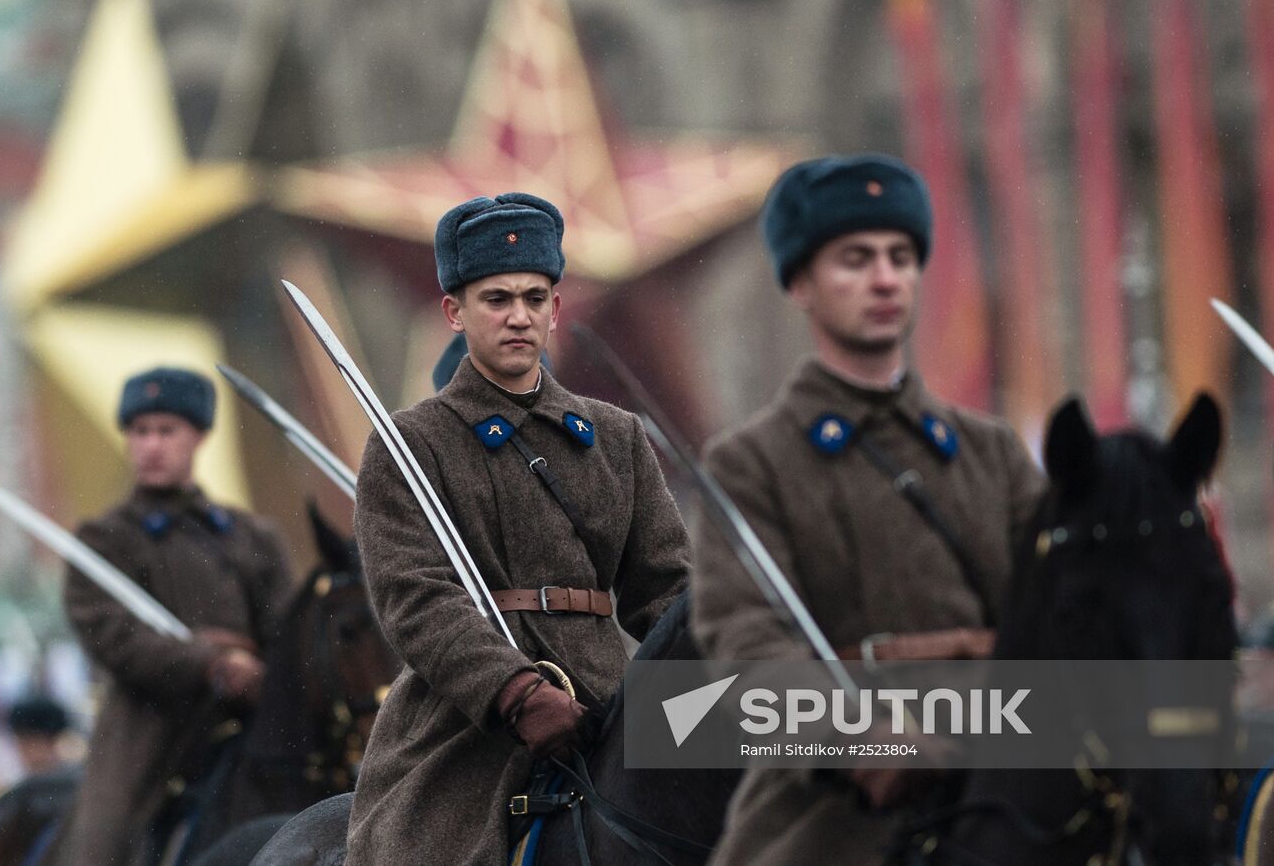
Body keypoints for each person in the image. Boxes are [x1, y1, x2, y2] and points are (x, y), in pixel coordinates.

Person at [690, 154, 1047, 865]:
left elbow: (1060, 611)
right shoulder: (754, 462)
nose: (885, 278)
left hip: (1009, 775)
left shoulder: (992, 452)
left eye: (901, 257)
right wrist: (860, 740)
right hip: (838, 810)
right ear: (800, 283)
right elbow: (747, 642)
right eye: (854, 259)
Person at [346, 192, 689, 864]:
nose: (519, 317)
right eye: (496, 299)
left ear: (556, 310)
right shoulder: (410, 445)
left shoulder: (617, 438)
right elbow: (414, 598)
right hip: (466, 726)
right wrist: (514, 691)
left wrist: (718, 682)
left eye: (535, 298)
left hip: (613, 704)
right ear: (454, 312)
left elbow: (666, 591)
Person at [55, 367, 293, 866]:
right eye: (140, 432)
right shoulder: (105, 538)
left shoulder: (252, 537)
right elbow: (111, 636)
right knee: (101, 845)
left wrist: (261, 670)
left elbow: (286, 631)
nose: (152, 446)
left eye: (167, 431)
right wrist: (211, 660)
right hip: (148, 730)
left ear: (199, 436)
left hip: (249, 720)